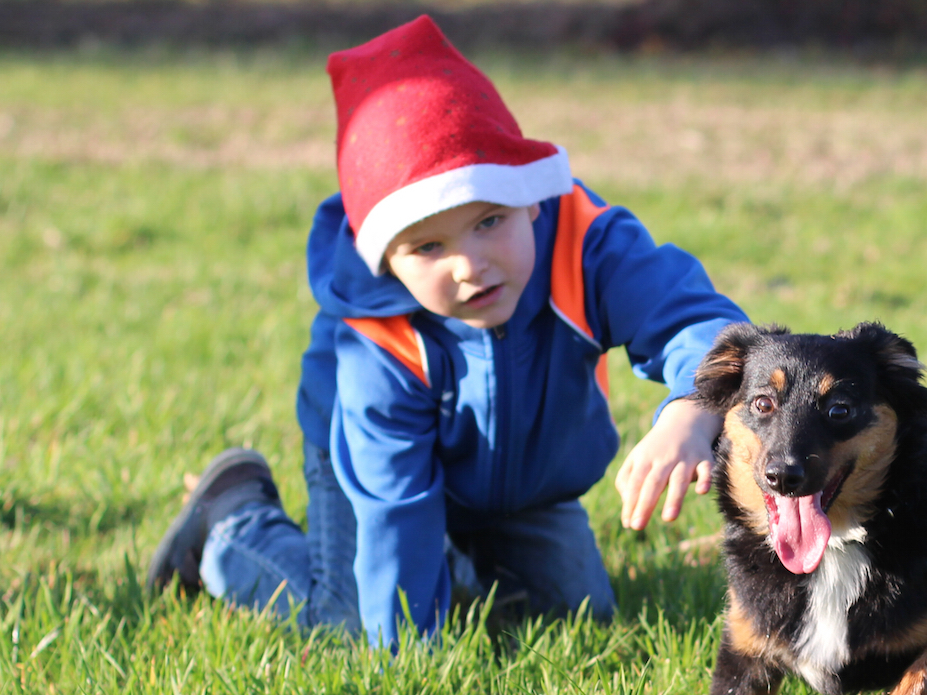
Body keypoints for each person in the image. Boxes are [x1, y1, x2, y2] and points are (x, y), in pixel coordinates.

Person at [147, 15, 747, 647]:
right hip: (374, 473)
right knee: (365, 629)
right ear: (388, 259)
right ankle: (232, 524)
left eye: (490, 221)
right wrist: (410, 648)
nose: (469, 265)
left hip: (524, 482)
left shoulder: (586, 245)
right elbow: (393, 511)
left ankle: (460, 554)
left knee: (577, 615)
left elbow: (694, 319)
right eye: (429, 245)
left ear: (530, 197)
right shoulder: (377, 340)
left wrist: (692, 408)